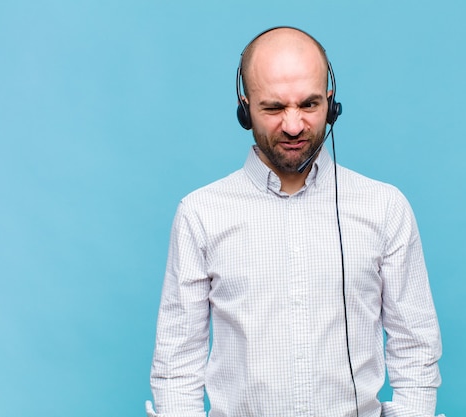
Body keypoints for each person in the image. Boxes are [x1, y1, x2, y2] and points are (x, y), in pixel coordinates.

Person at [146, 26, 443, 417]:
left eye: (309, 105)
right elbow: (177, 367)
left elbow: (415, 349)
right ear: (244, 106)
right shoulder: (201, 214)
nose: (292, 125)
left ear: (331, 103)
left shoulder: (384, 207)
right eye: (273, 108)